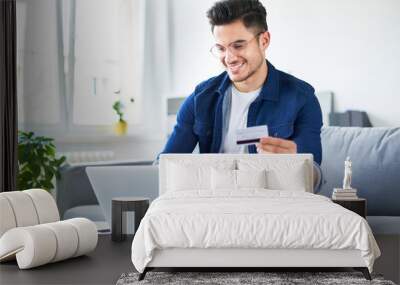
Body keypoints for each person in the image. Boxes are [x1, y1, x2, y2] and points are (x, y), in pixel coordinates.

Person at [160, 0, 323, 165]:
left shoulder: (302, 98)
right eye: (221, 49)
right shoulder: (200, 98)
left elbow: (315, 176)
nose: (229, 58)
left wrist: (297, 163)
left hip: (270, 189)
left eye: (238, 46)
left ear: (264, 41)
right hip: (215, 190)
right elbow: (164, 166)